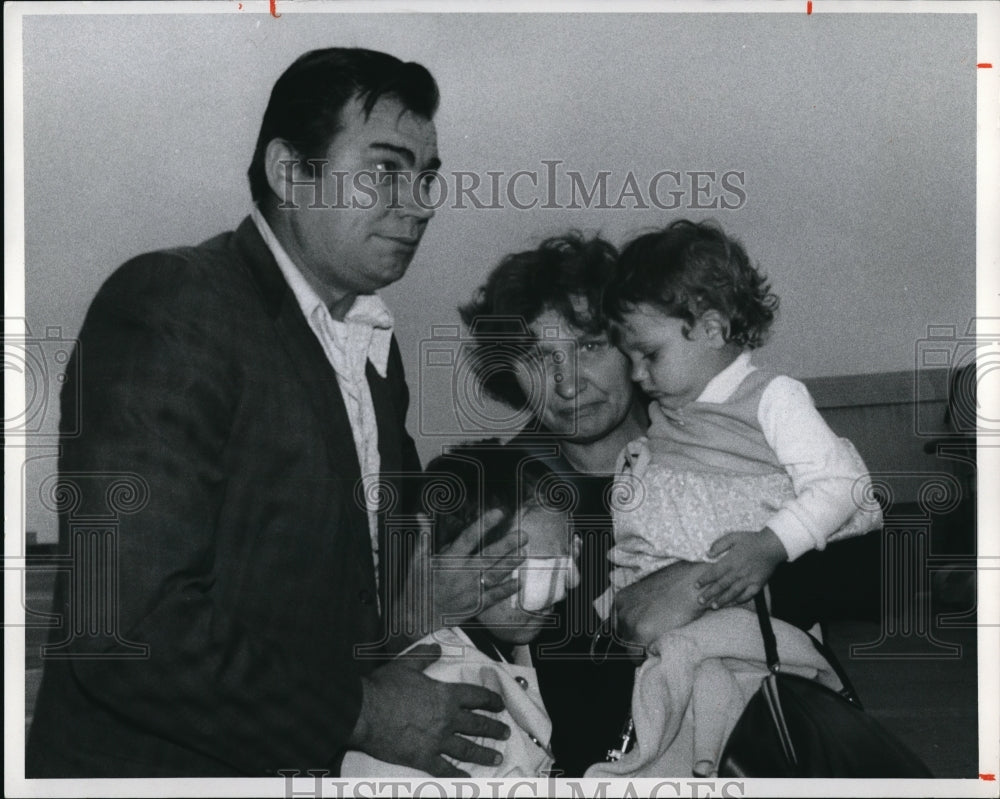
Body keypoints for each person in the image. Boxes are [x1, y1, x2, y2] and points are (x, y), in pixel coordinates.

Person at [26, 48, 521, 778]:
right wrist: (364, 714)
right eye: (385, 170)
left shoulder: (375, 355)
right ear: (291, 171)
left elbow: (311, 612)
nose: (418, 203)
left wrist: (412, 609)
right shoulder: (175, 301)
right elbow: (122, 625)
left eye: (427, 178)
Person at [594, 218, 883, 776]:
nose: (636, 373)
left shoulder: (772, 397)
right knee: (684, 709)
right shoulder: (671, 415)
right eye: (628, 357)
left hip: (750, 607)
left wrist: (771, 545)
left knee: (744, 715)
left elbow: (842, 485)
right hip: (683, 619)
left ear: (710, 328)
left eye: (648, 354)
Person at [458, 233, 648, 776]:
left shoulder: (716, 451)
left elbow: (863, 566)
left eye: (589, 346)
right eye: (539, 357)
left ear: (635, 345)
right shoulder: (492, 496)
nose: (567, 385)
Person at [342, 441, 582, 777]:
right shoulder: (436, 692)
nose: (571, 583)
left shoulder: (521, 655)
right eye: (546, 570)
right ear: (461, 563)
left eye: (572, 557)